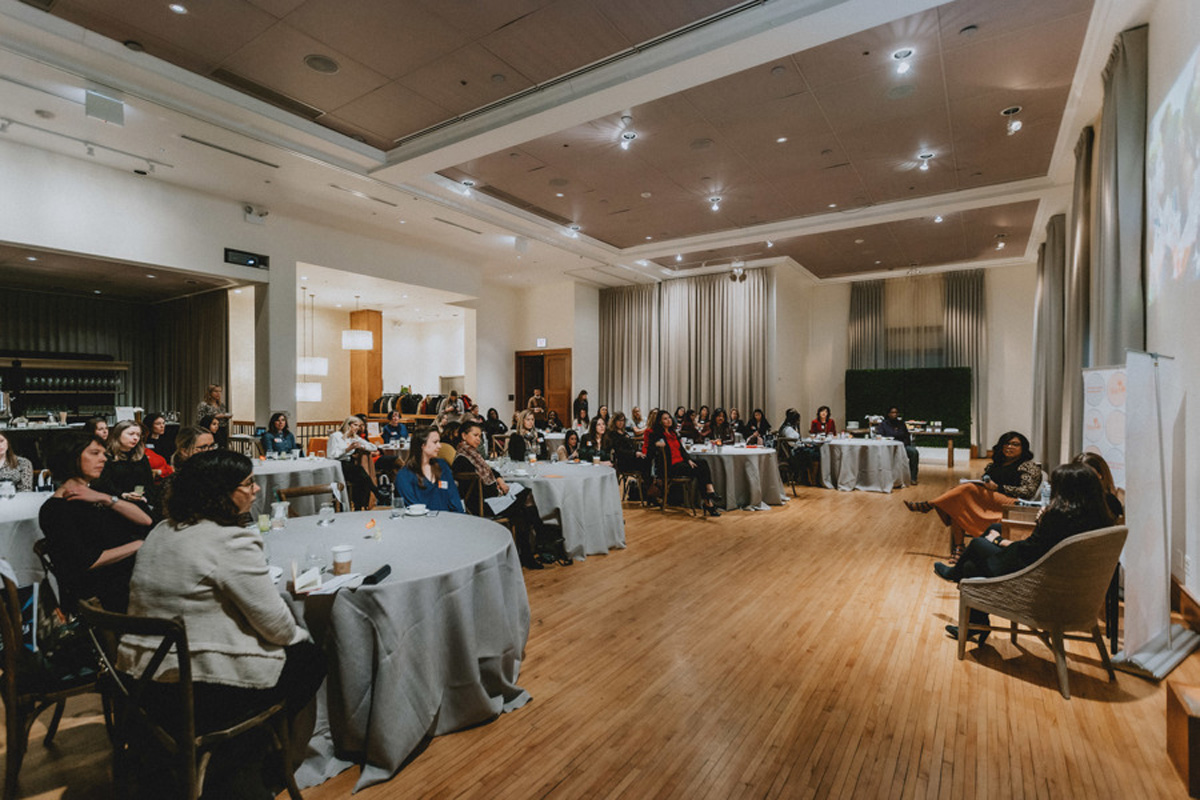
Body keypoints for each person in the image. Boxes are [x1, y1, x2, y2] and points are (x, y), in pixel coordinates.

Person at [117, 450, 325, 795]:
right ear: (220, 493)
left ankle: (248, 751)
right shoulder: (229, 541)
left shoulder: (161, 532)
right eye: (247, 484)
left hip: (140, 681)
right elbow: (278, 627)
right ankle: (270, 766)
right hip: (197, 689)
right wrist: (298, 635)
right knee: (311, 657)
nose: (256, 490)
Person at [932, 462, 1116, 644]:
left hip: (1036, 580)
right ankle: (974, 620)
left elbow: (1030, 550)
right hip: (1067, 580)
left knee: (978, 546)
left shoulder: (1058, 516)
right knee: (978, 555)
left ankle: (956, 576)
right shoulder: (1101, 516)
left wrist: (999, 540)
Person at [38, 432, 152, 612]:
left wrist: (105, 498)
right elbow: (84, 562)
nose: (104, 459)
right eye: (94, 453)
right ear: (71, 457)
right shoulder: (56, 509)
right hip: (102, 593)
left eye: (103, 453)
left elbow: (145, 520)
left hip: (126, 577)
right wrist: (139, 545)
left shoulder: (96, 494)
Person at [905, 431, 1042, 561]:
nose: (1009, 447)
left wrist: (999, 487)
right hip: (990, 500)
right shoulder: (995, 464)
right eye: (1006, 444)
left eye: (1015, 444)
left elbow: (1028, 491)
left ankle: (930, 504)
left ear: (1023, 448)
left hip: (1011, 505)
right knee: (959, 503)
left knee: (967, 490)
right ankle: (959, 547)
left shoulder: (1029, 466)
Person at [453, 421, 544, 569]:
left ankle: (528, 552)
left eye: (480, 436)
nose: (479, 439)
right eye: (475, 435)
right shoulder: (462, 459)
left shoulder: (473, 454)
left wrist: (500, 480)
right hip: (481, 504)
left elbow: (490, 470)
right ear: (464, 436)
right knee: (525, 496)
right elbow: (477, 488)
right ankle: (540, 538)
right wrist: (498, 489)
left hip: (491, 498)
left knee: (522, 508)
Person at [644, 410, 723, 517]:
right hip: (670, 467)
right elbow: (651, 452)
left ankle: (709, 496)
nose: (668, 420)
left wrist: (689, 460)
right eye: (665, 418)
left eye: (669, 418)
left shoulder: (673, 433)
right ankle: (708, 500)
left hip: (680, 463)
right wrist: (657, 444)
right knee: (700, 470)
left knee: (702, 463)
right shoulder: (657, 435)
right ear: (660, 422)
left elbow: (682, 450)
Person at [94, 420, 159, 514]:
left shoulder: (140, 456)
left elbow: (148, 483)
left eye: (138, 435)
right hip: (114, 502)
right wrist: (123, 495)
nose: (135, 438)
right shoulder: (107, 456)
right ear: (118, 435)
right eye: (131, 434)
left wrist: (145, 497)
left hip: (140, 502)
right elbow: (102, 484)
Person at [396, 428, 464, 512]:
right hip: (422, 522)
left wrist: (460, 519)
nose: (440, 446)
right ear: (422, 445)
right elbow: (413, 508)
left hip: (448, 520)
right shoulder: (404, 475)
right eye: (435, 442)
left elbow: (454, 498)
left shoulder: (442, 466)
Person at [327, 416, 384, 510]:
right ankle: (377, 493)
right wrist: (348, 449)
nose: (357, 428)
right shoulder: (336, 436)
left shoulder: (354, 437)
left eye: (359, 426)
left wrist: (362, 446)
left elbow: (373, 447)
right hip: (337, 464)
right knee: (360, 471)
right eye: (355, 425)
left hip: (349, 464)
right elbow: (331, 455)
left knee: (361, 479)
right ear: (348, 425)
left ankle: (359, 506)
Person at [878, 406, 919, 484]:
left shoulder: (901, 424)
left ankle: (913, 478)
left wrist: (903, 444)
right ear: (888, 414)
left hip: (902, 447)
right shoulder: (883, 424)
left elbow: (906, 437)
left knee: (914, 452)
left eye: (896, 413)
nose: (895, 414)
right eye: (893, 412)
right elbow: (880, 436)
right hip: (887, 448)